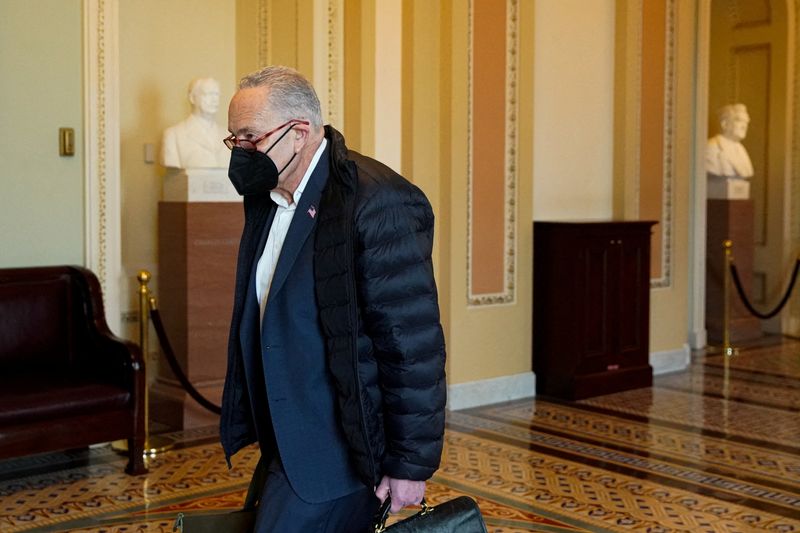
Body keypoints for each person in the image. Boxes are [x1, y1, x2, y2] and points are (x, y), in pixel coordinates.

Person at [219, 65, 447, 532]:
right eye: (233, 140)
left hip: (344, 448)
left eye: (250, 138)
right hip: (286, 438)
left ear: (299, 133)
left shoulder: (378, 201)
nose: (240, 152)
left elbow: (411, 346)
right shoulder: (267, 197)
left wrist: (409, 465)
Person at [161, 77, 231, 168]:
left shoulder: (228, 135)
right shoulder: (173, 135)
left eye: (217, 94)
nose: (214, 100)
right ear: (192, 98)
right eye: (208, 94)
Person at [706, 103, 754, 179]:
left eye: (746, 122)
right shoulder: (711, 148)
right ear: (724, 124)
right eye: (739, 120)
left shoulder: (742, 150)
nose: (744, 126)